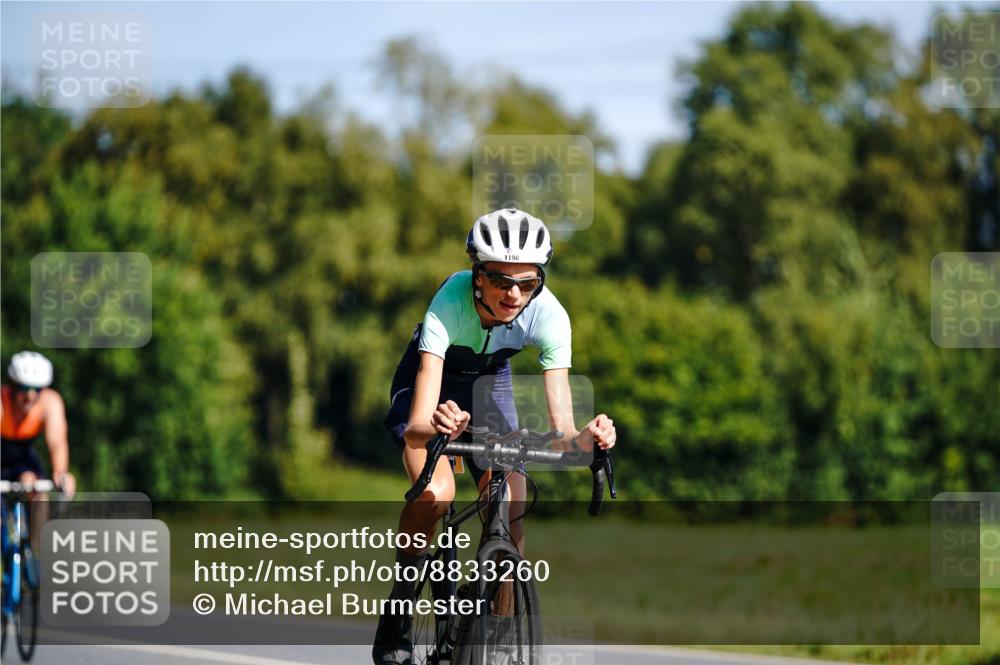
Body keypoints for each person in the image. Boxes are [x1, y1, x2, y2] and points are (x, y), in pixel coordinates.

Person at [375, 209, 617, 665]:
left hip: (490, 386)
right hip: (431, 389)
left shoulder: (550, 316)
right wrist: (439, 424)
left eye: (526, 283)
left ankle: (500, 630)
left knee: (512, 502)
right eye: (500, 280)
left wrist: (588, 437)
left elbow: (562, 433)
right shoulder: (448, 302)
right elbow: (416, 428)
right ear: (477, 276)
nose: (513, 294)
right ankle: (400, 609)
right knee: (437, 491)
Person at [1, 351, 76, 499]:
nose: (30, 396)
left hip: (23, 457)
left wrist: (61, 473)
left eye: (37, 389)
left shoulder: (50, 403)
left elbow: (57, 442)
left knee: (38, 494)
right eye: (24, 388)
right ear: (12, 387)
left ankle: (40, 523)